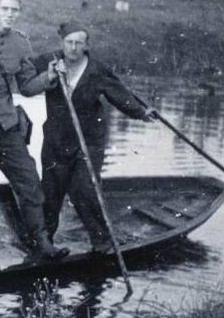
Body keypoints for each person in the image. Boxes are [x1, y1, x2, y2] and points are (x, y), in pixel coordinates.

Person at [31, 21, 153, 251]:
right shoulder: (49, 61)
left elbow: (120, 95)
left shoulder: (96, 70)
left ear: (86, 46)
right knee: (50, 193)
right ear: (62, 43)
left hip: (88, 143)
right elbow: (23, 72)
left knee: (84, 190)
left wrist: (140, 111)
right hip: (55, 141)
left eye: (79, 43)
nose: (74, 48)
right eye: (69, 42)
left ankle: (101, 240)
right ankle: (44, 244)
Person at [0, 0, 68, 260]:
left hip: (5, 125)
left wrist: (48, 77)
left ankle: (41, 241)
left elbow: (26, 86)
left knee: (29, 181)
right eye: (5, 8)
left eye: (14, 10)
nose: (9, 14)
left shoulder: (21, 43)